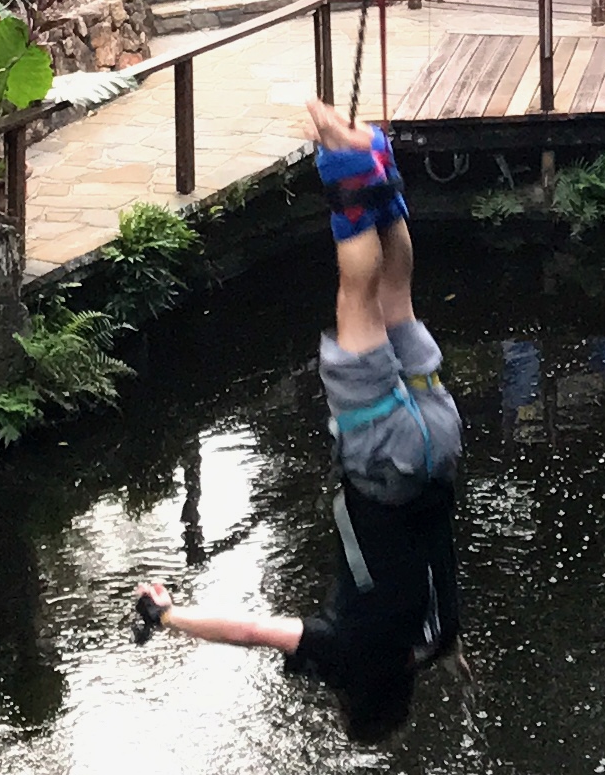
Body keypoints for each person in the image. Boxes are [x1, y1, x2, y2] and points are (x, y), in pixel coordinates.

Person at [133, 100, 463, 716]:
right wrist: (167, 614)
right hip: (380, 462)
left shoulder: (431, 641)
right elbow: (254, 631)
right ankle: (346, 170)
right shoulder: (344, 651)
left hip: (439, 446)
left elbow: (436, 620)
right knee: (356, 298)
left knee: (398, 300)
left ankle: (378, 172)